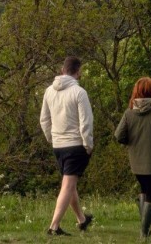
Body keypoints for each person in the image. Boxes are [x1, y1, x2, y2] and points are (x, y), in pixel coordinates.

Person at [114, 77, 151, 239]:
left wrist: (132, 143)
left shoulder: (129, 113)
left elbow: (119, 136)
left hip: (136, 162)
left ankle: (145, 231)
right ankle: (145, 234)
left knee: (144, 191)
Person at [40, 56, 94, 236]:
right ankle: (54, 227)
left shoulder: (49, 91)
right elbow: (85, 122)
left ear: (63, 70)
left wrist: (51, 138)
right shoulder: (79, 92)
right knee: (68, 186)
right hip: (75, 144)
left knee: (68, 184)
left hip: (58, 145)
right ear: (78, 72)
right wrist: (88, 144)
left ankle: (82, 220)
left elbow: (44, 120)